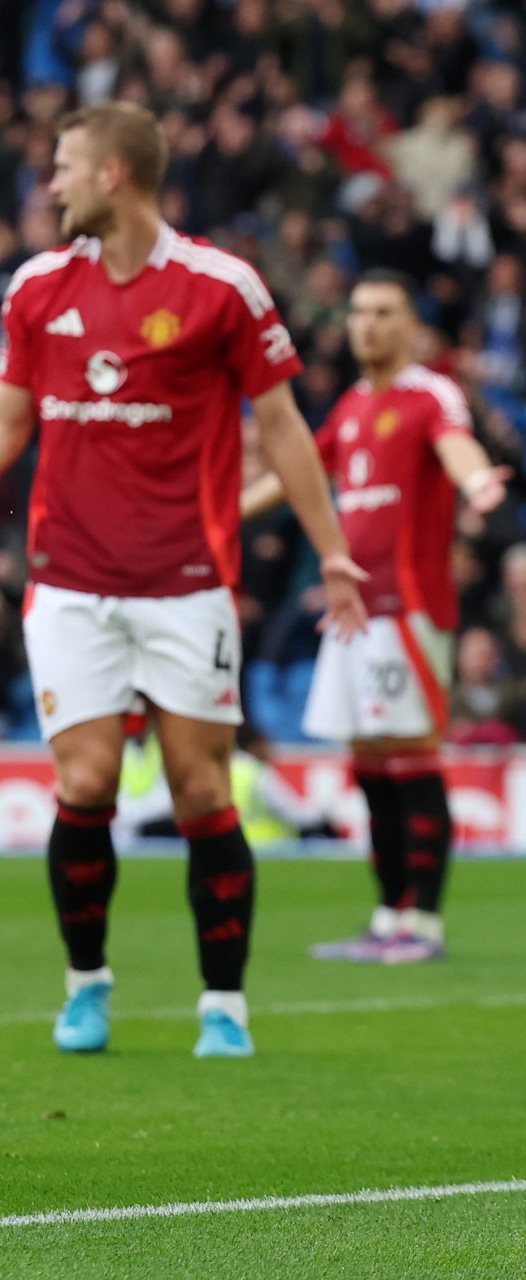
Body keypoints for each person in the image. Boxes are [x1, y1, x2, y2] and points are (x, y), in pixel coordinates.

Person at [0, 102, 368, 1059]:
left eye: (66, 167)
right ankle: (86, 987)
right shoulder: (37, 288)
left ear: (115, 175)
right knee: (86, 782)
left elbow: (283, 430)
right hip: (68, 581)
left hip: (186, 581)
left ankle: (224, 1003)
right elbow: (1, 426)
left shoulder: (222, 288)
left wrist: (330, 552)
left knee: (202, 789)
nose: (51, 184)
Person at [243, 270, 510, 964]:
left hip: (408, 610)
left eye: (383, 312)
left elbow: (456, 443)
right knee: (368, 765)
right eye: (359, 312)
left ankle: (424, 923)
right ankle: (388, 914)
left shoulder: (430, 395)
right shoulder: (354, 405)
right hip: (352, 610)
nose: (366, 324)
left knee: (415, 759)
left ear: (410, 326)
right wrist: (224, 515)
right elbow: (301, 471)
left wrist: (477, 481)